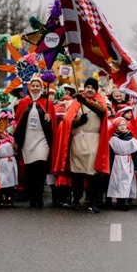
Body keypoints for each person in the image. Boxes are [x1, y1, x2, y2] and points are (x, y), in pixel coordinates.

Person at [53, 77, 110, 213]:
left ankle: (93, 201)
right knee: (76, 173)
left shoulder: (99, 101)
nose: (89, 89)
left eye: (92, 87)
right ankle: (76, 198)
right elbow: (67, 122)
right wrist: (79, 120)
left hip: (93, 141)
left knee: (93, 174)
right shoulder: (75, 103)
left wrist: (85, 101)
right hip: (77, 141)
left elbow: (101, 110)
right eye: (88, 87)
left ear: (96, 90)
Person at [13, 75, 57, 209]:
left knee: (41, 167)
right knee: (30, 170)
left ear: (42, 87)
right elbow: (18, 122)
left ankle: (39, 196)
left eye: (38, 86)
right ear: (29, 87)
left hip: (42, 140)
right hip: (28, 140)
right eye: (33, 85)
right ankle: (32, 196)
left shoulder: (48, 103)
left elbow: (53, 125)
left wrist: (48, 120)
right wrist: (16, 140)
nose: (36, 88)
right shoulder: (23, 102)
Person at [107, 117, 137, 211]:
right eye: (119, 125)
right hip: (116, 163)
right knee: (117, 181)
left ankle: (125, 200)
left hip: (128, 162)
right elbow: (110, 154)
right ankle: (119, 200)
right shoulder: (113, 139)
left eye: (124, 125)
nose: (122, 127)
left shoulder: (132, 139)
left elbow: (136, 154)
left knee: (126, 181)